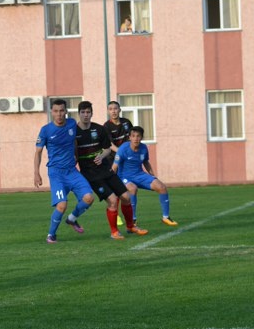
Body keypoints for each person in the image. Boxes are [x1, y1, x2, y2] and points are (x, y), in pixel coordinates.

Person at [75, 101, 148, 240]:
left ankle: (130, 226)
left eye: (88, 112)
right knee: (113, 200)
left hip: (105, 169)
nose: (86, 115)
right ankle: (114, 232)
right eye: (83, 112)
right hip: (91, 174)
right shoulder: (73, 132)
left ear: (92, 113)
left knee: (126, 197)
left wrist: (102, 156)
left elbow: (107, 148)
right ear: (79, 114)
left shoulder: (98, 129)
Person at [34, 98, 94, 244]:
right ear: (51, 112)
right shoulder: (45, 130)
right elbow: (38, 152)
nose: (59, 114)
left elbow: (74, 141)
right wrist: (36, 173)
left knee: (89, 198)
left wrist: (76, 156)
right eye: (56, 111)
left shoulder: (72, 124)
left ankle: (72, 219)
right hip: (56, 173)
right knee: (62, 205)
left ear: (66, 111)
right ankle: (51, 235)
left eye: (62, 111)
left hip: (72, 171)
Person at [115, 126, 178, 226]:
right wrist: (113, 183)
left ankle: (166, 217)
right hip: (124, 177)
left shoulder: (144, 148)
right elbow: (114, 167)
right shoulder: (123, 149)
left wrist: (153, 176)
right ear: (129, 137)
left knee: (161, 187)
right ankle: (133, 220)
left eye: (138, 136)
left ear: (141, 137)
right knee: (133, 188)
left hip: (139, 175)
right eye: (133, 136)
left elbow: (146, 162)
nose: (136, 138)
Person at [104, 100, 134, 223]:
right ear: (108, 111)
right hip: (112, 160)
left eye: (115, 108)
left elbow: (132, 138)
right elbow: (110, 145)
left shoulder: (126, 122)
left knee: (130, 188)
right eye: (111, 109)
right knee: (116, 188)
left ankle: (132, 217)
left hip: (126, 160)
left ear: (119, 110)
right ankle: (115, 215)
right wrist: (121, 153)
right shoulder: (106, 126)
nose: (113, 111)